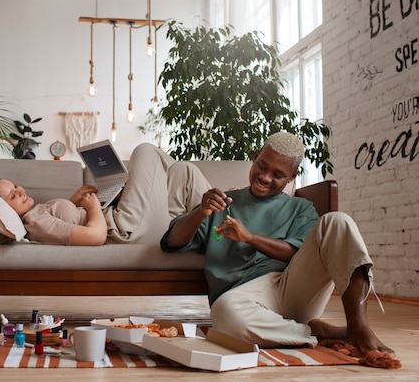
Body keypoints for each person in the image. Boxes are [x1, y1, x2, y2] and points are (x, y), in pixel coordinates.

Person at [161, 131, 394, 357]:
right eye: (262, 166)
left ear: (293, 176)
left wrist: (250, 238)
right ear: (255, 157)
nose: (265, 177)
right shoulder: (222, 202)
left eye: (278, 174)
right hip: (240, 298)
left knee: (338, 220)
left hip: (292, 289)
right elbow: (172, 242)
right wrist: (201, 212)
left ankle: (359, 327)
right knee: (223, 314)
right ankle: (315, 332)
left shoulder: (300, 208)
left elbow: (297, 252)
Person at [0, 143, 212, 245]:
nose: (21, 190)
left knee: (184, 171)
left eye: (16, 186)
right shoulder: (35, 222)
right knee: (144, 151)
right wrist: (93, 208)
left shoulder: (38, 211)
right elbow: (95, 236)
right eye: (13, 196)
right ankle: (221, 218)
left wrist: (76, 201)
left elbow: (68, 218)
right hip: (124, 230)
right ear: (3, 209)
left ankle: (224, 226)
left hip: (126, 219)